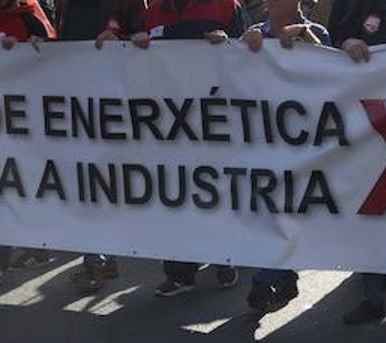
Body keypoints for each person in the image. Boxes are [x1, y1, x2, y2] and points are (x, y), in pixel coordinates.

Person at [243, 0, 372, 315]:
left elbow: (328, 68)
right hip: (262, 140)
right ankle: (283, 275)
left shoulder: (315, 32)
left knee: (290, 210)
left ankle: (266, 279)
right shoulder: (256, 32)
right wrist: (236, 43)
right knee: (268, 214)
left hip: (301, 143)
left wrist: (305, 38)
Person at [129, 0, 246, 297]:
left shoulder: (225, 6)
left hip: (213, 117)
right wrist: (132, 44)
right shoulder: (153, 11)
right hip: (168, 120)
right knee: (175, 194)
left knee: (216, 190)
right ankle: (180, 272)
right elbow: (136, 61)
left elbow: (247, 57)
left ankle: (226, 258)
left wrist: (229, 43)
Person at [0, 0, 57, 286]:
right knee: (7, 188)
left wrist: (31, 46)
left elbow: (53, 54)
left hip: (26, 119)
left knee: (13, 187)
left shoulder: (30, 19)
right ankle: (28, 249)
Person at [55, 0, 144, 292]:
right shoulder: (65, 4)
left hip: (116, 101)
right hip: (76, 101)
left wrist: (122, 41)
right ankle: (98, 257)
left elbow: (147, 39)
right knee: (88, 181)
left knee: (106, 181)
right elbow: (62, 44)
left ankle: (101, 256)